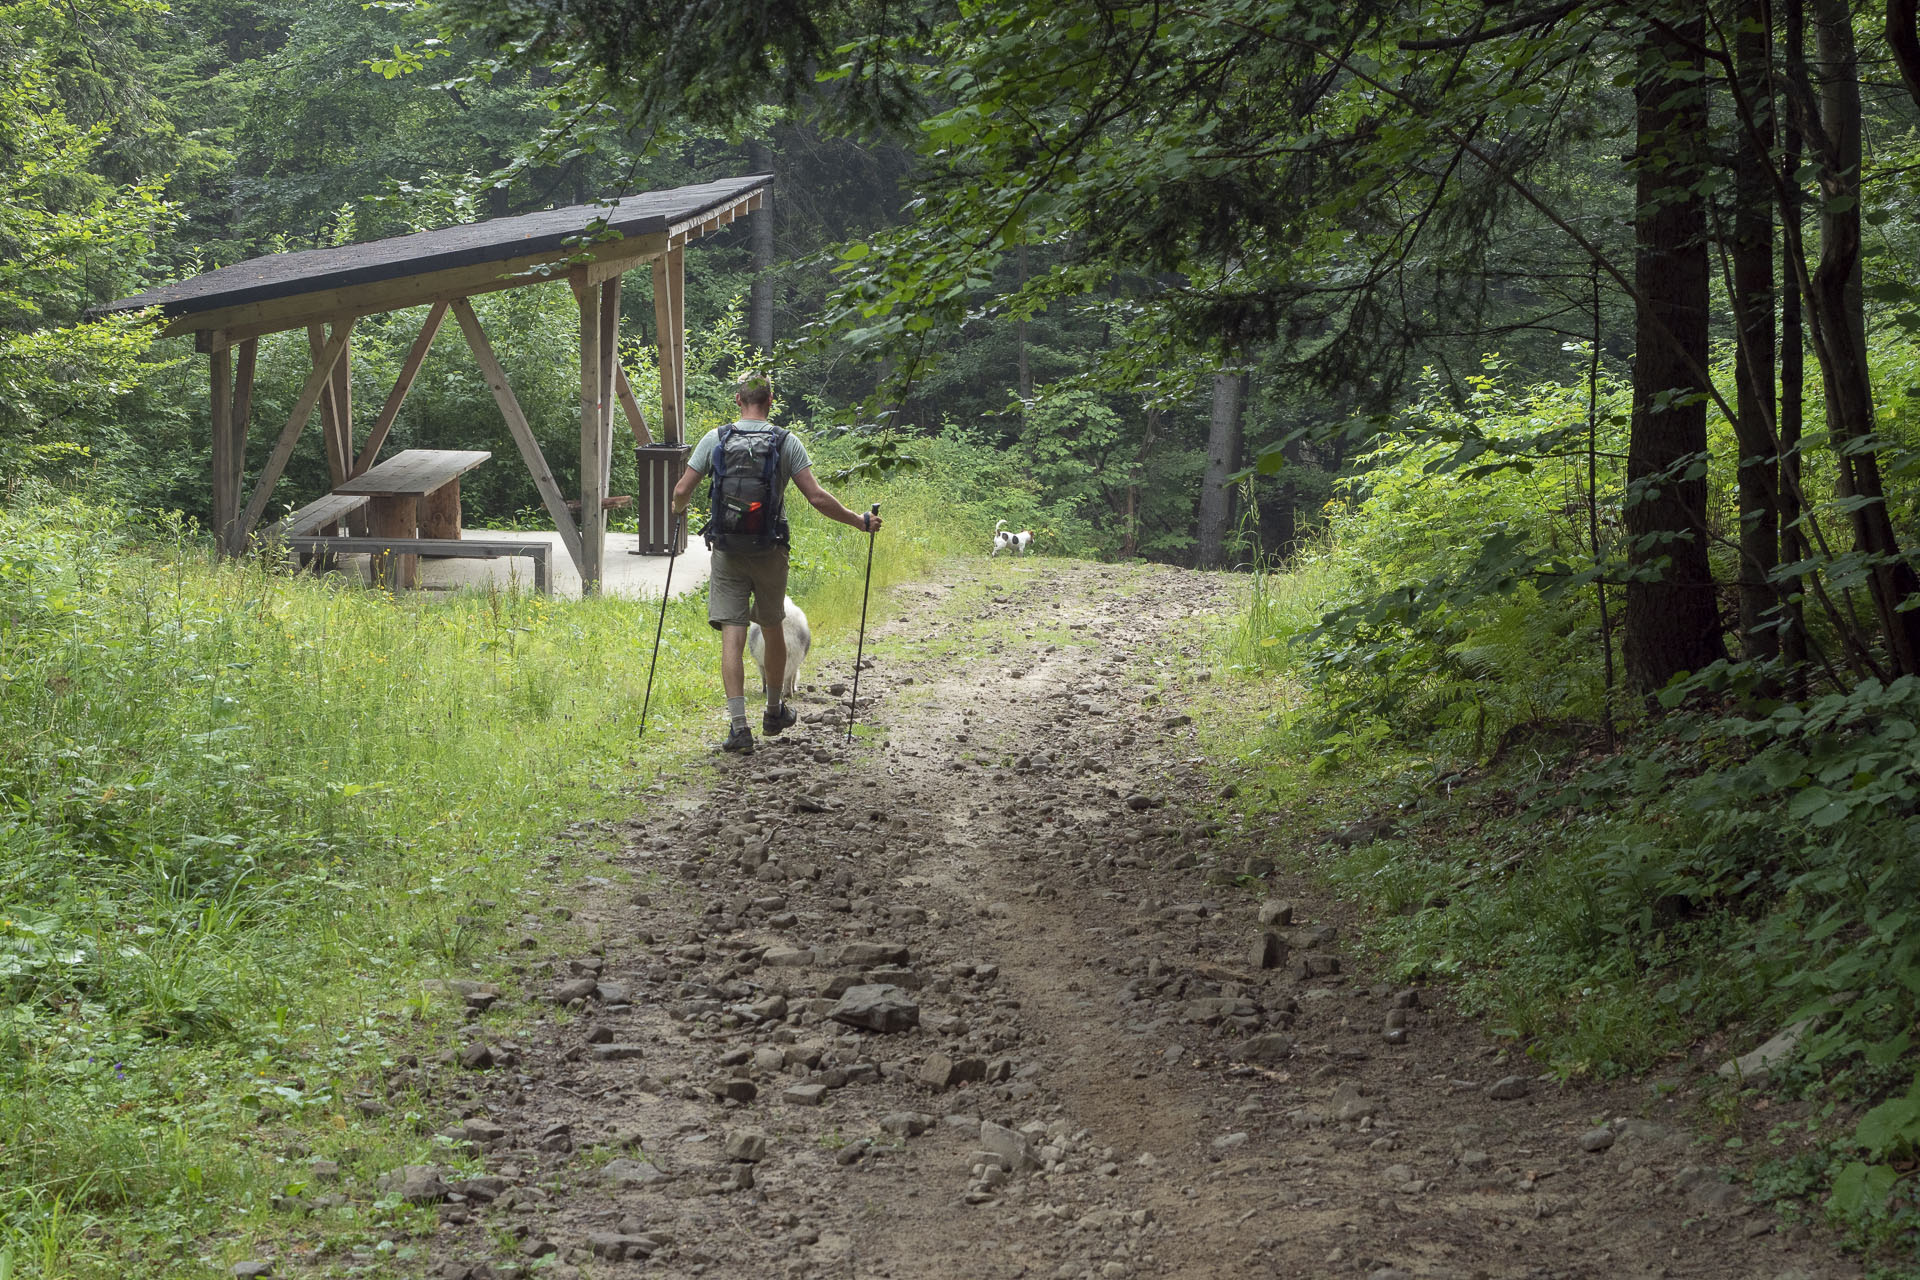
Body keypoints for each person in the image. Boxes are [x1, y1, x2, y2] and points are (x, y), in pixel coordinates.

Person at [669, 374, 881, 754]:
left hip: (728, 552)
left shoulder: (715, 438)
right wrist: (859, 521)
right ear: (771, 401)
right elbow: (816, 497)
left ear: (738, 400)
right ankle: (773, 711)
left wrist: (676, 511)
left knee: (732, 638)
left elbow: (683, 490)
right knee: (771, 627)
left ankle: (738, 728)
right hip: (770, 551)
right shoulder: (785, 442)